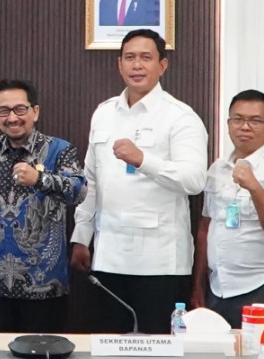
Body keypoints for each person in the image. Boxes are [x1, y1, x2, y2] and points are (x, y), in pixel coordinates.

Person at [70, 30, 208, 333]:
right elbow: (90, 180)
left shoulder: (181, 117)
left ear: (162, 65)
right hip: (108, 257)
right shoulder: (104, 113)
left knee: (157, 349)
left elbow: (195, 180)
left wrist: (143, 160)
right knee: (109, 347)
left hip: (160, 262)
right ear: (119, 64)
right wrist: (82, 235)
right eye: (130, 57)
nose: (137, 65)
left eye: (146, 57)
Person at [0, 79, 85, 335]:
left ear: (35, 111)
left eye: (20, 109)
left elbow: (79, 191)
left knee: (43, 358)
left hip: (45, 285)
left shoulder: (59, 150)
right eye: (4, 111)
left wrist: (40, 179)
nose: (12, 118)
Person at [194, 90, 264, 328]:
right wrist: (198, 285)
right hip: (217, 286)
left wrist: (255, 188)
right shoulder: (218, 168)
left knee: (258, 351)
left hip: (261, 284)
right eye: (238, 119)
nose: (245, 127)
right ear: (228, 124)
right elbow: (206, 227)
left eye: (255, 121)